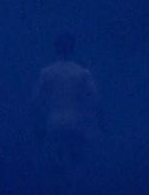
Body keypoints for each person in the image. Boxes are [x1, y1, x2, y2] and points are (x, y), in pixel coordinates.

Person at [32, 33, 101, 178]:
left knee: (55, 161)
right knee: (76, 161)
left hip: (54, 121)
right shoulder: (83, 73)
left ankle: (57, 185)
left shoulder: (46, 73)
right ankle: (73, 186)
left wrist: (37, 123)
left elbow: (36, 100)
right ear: (73, 49)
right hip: (75, 121)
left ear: (56, 49)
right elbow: (94, 99)